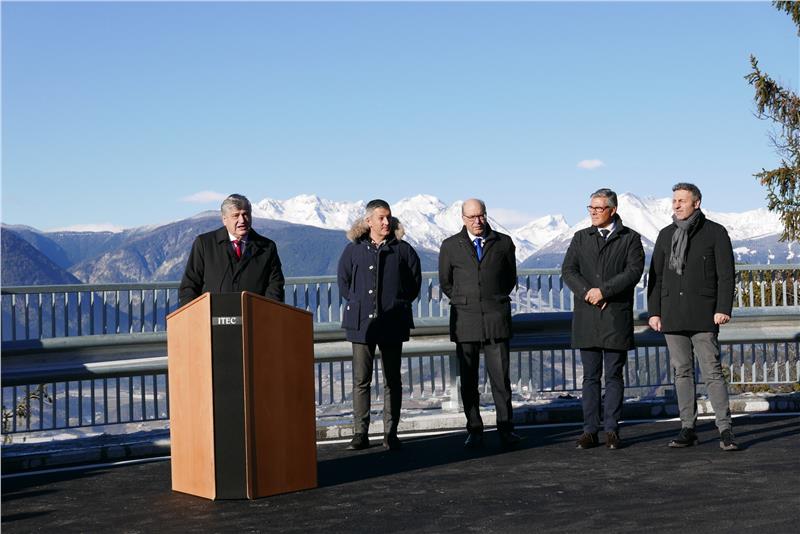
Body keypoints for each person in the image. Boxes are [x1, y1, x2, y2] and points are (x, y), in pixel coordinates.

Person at [647, 183, 739, 451]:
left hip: (704, 313)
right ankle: (687, 427)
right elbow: (656, 276)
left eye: (682, 201)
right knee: (682, 372)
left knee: (712, 372)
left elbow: (726, 275)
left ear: (696, 203)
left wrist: (723, 308)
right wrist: (654, 312)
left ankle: (725, 429)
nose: (676, 205)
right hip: (672, 313)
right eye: (674, 200)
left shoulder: (715, 232)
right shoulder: (666, 234)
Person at [562, 188, 644, 450]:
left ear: (613, 210)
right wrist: (588, 293)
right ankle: (589, 430)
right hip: (587, 315)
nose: (593, 212)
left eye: (599, 208)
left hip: (614, 315)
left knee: (614, 376)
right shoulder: (580, 237)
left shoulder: (630, 238)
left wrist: (604, 291)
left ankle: (612, 430)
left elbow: (634, 271)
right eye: (591, 208)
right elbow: (568, 270)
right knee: (590, 377)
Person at [337, 199, 422, 451]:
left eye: (389, 217)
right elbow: (344, 283)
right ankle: (360, 434)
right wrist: (359, 303)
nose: (387, 222)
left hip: (393, 321)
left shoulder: (403, 250)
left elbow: (414, 284)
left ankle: (390, 433)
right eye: (381, 218)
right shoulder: (353, 250)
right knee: (361, 380)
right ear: (368, 221)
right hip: (361, 323)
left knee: (392, 380)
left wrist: (397, 302)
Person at [438, 198, 522, 448]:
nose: (477, 221)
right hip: (465, 320)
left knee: (501, 380)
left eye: (481, 215)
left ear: (486, 215)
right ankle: (474, 429)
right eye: (472, 217)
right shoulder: (450, 246)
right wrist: (465, 300)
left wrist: (493, 298)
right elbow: (446, 282)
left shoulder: (503, 242)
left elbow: (509, 278)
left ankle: (506, 428)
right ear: (463, 218)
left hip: (496, 317)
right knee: (469, 381)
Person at [179, 194, 284, 306]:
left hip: (254, 313)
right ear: (224, 219)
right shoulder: (205, 244)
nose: (242, 220)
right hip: (213, 314)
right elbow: (190, 286)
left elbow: (275, 286)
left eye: (245, 214)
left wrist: (267, 311)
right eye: (236, 215)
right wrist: (193, 314)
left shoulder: (267, 247)